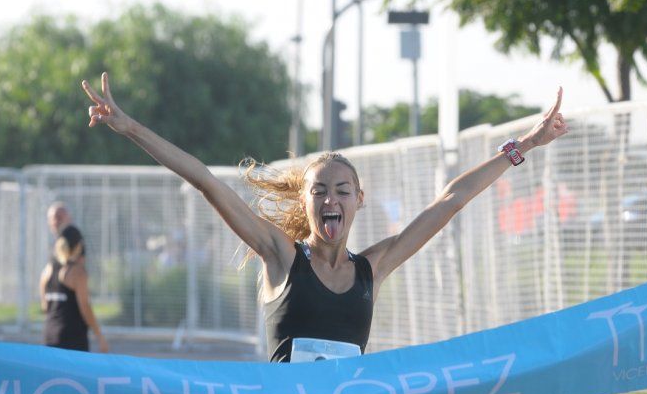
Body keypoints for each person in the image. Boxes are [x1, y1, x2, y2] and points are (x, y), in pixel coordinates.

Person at [82, 72, 567, 362]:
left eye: (341, 191)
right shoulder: (279, 256)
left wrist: (523, 145)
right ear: (308, 203)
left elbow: (449, 201)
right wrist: (130, 129)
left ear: (359, 199)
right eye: (320, 191)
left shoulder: (372, 268)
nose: (330, 199)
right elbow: (207, 180)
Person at [39, 203, 108, 352]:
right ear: (78, 246)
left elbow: (45, 306)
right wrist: (99, 336)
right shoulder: (77, 272)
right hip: (72, 338)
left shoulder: (48, 269)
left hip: (49, 335)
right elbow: (85, 306)